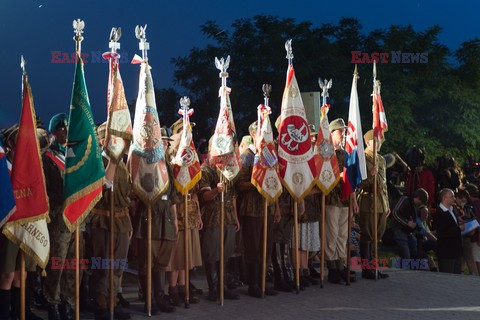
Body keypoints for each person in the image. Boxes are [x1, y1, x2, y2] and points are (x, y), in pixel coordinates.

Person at [89, 123, 132, 320]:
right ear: (102, 140)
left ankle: (112, 301)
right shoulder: (97, 160)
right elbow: (102, 188)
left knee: (118, 266)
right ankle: (100, 303)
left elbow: (126, 195)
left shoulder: (121, 163)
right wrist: (112, 163)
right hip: (103, 220)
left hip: (121, 220)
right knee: (103, 265)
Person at [133, 131, 178, 314]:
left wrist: (175, 222)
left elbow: (173, 197)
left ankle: (160, 296)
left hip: (166, 218)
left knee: (161, 261)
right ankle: (148, 299)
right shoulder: (147, 163)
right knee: (147, 262)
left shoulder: (167, 165)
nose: (166, 145)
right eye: (163, 142)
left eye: (167, 143)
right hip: (149, 218)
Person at [42, 113, 80, 320]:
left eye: (68, 128)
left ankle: (67, 300)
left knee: (72, 264)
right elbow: (46, 190)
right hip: (57, 217)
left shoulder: (73, 154)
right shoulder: (47, 157)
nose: (66, 131)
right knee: (57, 263)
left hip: (75, 217)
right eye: (62, 128)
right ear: (54, 132)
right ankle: (52, 302)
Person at [235, 122, 279, 298]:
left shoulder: (267, 154)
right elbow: (239, 185)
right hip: (251, 208)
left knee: (266, 248)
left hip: (266, 207)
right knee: (253, 248)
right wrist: (256, 184)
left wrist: (275, 205)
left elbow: (273, 181)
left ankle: (262, 281)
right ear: (253, 135)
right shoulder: (247, 156)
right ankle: (253, 284)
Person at [198, 138, 241, 302]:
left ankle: (223, 286)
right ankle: (213, 288)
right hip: (213, 217)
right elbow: (204, 196)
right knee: (212, 254)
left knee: (226, 254)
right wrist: (217, 190)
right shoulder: (206, 169)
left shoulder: (228, 170)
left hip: (228, 217)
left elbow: (233, 195)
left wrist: (236, 217)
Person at [325, 118, 358, 283]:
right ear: (331, 132)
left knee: (342, 235)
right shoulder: (326, 152)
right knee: (331, 234)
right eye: (340, 131)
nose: (343, 134)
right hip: (331, 198)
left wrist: (354, 200)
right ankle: (332, 267)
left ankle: (341, 265)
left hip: (344, 198)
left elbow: (350, 179)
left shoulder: (345, 153)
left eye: (344, 131)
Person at [357, 129, 390, 280]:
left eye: (379, 141)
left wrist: (387, 204)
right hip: (368, 201)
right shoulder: (362, 158)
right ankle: (366, 269)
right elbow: (357, 183)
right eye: (375, 141)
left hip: (381, 202)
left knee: (377, 235)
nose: (378, 144)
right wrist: (370, 176)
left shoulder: (381, 160)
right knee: (367, 235)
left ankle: (374, 267)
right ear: (368, 142)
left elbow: (384, 183)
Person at [391, 188, 429, 260]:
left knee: (414, 251)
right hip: (399, 229)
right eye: (420, 202)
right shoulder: (405, 199)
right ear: (418, 198)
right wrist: (407, 223)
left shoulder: (414, 206)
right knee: (406, 254)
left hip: (408, 231)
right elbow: (395, 212)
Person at [434, 188, 465, 274]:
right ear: (444, 198)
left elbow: (450, 225)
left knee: (456, 277)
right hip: (447, 253)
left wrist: (458, 223)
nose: (454, 199)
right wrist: (459, 228)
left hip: (456, 251)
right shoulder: (440, 213)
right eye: (451, 197)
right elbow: (443, 233)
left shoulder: (451, 210)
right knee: (447, 277)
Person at [452, 189, 478, 275]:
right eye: (462, 200)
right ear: (456, 198)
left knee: (469, 259)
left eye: (466, 201)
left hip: (466, 237)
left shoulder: (467, 208)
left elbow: (472, 219)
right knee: (458, 261)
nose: (464, 202)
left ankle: (474, 277)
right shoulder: (452, 208)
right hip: (456, 238)